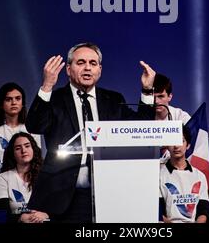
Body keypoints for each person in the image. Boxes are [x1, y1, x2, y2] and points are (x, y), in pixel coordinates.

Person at [26, 42, 156, 223]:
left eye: (93, 63)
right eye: (80, 62)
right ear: (68, 69)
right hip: (64, 198)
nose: (87, 68)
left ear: (100, 70)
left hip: (109, 195)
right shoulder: (54, 99)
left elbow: (142, 129)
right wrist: (47, 86)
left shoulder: (113, 100)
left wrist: (147, 90)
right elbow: (35, 126)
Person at [0, 83, 41, 204]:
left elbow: (36, 155)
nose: (14, 102)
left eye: (18, 98)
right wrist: (11, 176)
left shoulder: (31, 125)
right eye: (8, 99)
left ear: (22, 102)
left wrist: (22, 176)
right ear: (1, 104)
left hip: (27, 176)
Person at [159, 125, 209, 223]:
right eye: (172, 141)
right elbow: (158, 212)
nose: (176, 146)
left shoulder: (199, 175)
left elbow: (203, 210)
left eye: (181, 141)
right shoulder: (159, 175)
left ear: (188, 145)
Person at [0, 132, 48, 223]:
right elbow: (1, 213)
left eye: (27, 146)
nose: (23, 150)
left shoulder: (45, 177)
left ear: (33, 149)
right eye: (18, 148)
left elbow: (56, 207)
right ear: (13, 153)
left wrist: (46, 214)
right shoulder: (3, 178)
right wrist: (21, 218)